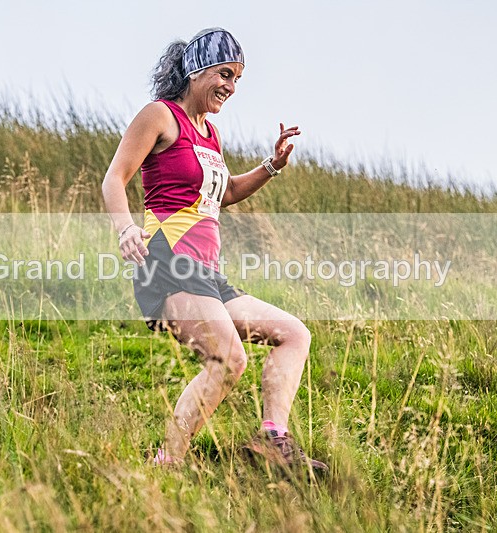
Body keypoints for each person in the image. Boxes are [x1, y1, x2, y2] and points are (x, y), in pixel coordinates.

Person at [101, 27, 327, 471]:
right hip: (167, 265)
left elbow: (222, 196)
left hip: (207, 274)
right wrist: (125, 228)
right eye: (225, 73)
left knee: (294, 334)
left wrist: (271, 166)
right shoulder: (159, 116)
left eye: (238, 78)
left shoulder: (211, 135)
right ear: (197, 70)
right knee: (228, 359)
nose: (231, 86)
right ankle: (168, 461)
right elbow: (114, 177)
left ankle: (273, 440)